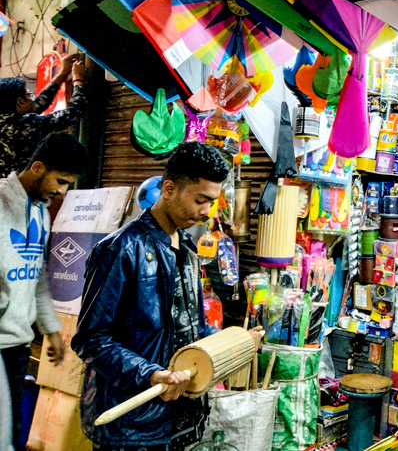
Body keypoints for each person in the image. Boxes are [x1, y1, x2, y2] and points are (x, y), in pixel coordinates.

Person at [73, 142, 252, 451]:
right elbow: (92, 338)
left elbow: (188, 326)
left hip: (179, 420)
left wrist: (229, 345)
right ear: (169, 188)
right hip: (132, 425)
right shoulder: (121, 249)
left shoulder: (188, 248)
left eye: (211, 202)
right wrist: (150, 374)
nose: (205, 212)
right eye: (200, 200)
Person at [0, 132, 87, 450]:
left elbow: (37, 278)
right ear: (37, 168)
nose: (62, 191)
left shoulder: (40, 211)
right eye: (60, 181)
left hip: (17, 345)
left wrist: (52, 330)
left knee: (13, 430)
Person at [0, 54, 88, 178]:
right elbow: (75, 110)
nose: (32, 96)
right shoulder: (23, 126)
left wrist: (63, 73)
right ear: (20, 102)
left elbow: (38, 104)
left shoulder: (6, 121)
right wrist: (78, 79)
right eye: (28, 94)